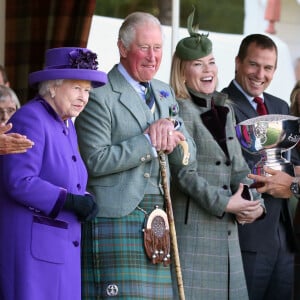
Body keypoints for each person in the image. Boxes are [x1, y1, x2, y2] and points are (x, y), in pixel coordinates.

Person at [75, 12, 196, 299]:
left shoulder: (164, 93)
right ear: (123, 47)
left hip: (160, 219)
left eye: (158, 48)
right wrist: (148, 143)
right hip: (115, 217)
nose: (153, 57)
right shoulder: (99, 93)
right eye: (145, 48)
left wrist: (173, 129)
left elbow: (187, 156)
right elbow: (94, 159)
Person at [168, 9, 265, 299]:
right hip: (194, 240)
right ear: (182, 72)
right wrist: (227, 204)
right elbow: (184, 175)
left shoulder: (224, 109)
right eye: (198, 64)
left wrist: (256, 204)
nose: (208, 69)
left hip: (229, 241)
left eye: (211, 62)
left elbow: (238, 169)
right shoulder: (176, 109)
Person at [0, 47, 107, 300]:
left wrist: (85, 196)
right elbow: (19, 181)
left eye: (88, 91)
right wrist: (69, 201)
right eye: (77, 88)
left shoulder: (66, 123)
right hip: (33, 253)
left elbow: (66, 175)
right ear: (53, 87)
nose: (84, 97)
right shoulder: (31, 118)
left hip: (57, 249)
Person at [222, 33, 298, 300]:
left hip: (284, 239)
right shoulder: (221, 106)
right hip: (249, 236)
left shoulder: (280, 106)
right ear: (238, 63)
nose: (260, 74)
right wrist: (290, 180)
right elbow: (246, 168)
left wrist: (289, 180)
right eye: (254, 65)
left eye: (268, 68)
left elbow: (295, 162)